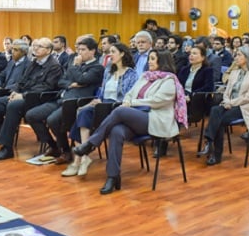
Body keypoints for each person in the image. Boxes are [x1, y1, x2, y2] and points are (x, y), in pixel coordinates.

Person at [73, 50, 187, 194]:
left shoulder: (170, 80)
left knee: (121, 111)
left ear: (162, 62)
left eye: (153, 59)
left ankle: (91, 144)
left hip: (154, 119)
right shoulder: (145, 77)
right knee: (116, 131)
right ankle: (112, 177)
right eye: (150, 58)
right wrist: (128, 100)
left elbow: (157, 101)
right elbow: (129, 93)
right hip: (136, 117)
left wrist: (132, 102)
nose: (149, 61)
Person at [0, 37, 62, 161]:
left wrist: (23, 95)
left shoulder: (54, 66)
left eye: (40, 47)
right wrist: (16, 92)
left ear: (48, 50)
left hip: (40, 99)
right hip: (25, 95)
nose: (35, 48)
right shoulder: (34, 62)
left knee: (13, 106)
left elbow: (47, 87)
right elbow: (22, 81)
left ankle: (7, 148)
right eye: (35, 46)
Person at [25, 37, 104, 165]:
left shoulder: (97, 68)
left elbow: (82, 80)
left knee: (52, 120)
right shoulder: (74, 61)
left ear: (93, 51)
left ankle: (66, 151)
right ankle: (54, 146)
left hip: (76, 103)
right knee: (31, 115)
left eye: (83, 50)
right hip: (61, 98)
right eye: (78, 49)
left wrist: (75, 68)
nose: (79, 53)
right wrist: (71, 84)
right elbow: (61, 81)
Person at [64, 43, 137, 177]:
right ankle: (83, 157)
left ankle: (79, 159)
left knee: (84, 114)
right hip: (103, 105)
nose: (110, 55)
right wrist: (97, 99)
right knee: (83, 111)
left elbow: (129, 96)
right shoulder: (108, 71)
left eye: (113, 52)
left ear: (122, 54)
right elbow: (102, 92)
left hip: (117, 108)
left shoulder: (131, 74)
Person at [198, 45, 249, 166]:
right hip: (229, 104)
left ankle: (212, 148)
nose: (236, 57)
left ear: (247, 58)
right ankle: (210, 144)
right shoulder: (234, 72)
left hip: (245, 107)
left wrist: (231, 103)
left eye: (239, 55)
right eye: (236, 54)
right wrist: (226, 101)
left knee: (219, 120)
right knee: (215, 110)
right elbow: (227, 91)